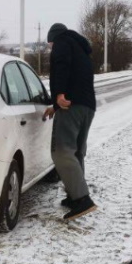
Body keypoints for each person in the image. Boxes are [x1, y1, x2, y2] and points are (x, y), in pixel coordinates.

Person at [43, 22, 97, 221]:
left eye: (50, 46)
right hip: (87, 107)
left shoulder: (62, 43)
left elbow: (61, 66)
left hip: (71, 106)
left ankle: (82, 199)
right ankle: (74, 197)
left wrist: (58, 95)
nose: (51, 49)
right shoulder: (80, 49)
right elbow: (76, 79)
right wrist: (56, 106)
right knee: (76, 152)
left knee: (61, 151)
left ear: (53, 38)